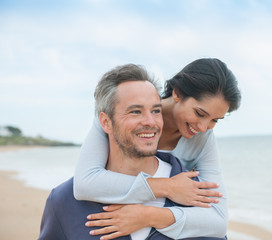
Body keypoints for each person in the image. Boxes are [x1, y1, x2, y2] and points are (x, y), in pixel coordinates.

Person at [38, 64, 227, 240]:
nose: (204, 128)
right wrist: (166, 187)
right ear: (106, 122)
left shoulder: (197, 202)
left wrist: (148, 215)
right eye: (136, 111)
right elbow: (84, 183)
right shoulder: (64, 202)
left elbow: (218, 223)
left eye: (155, 111)